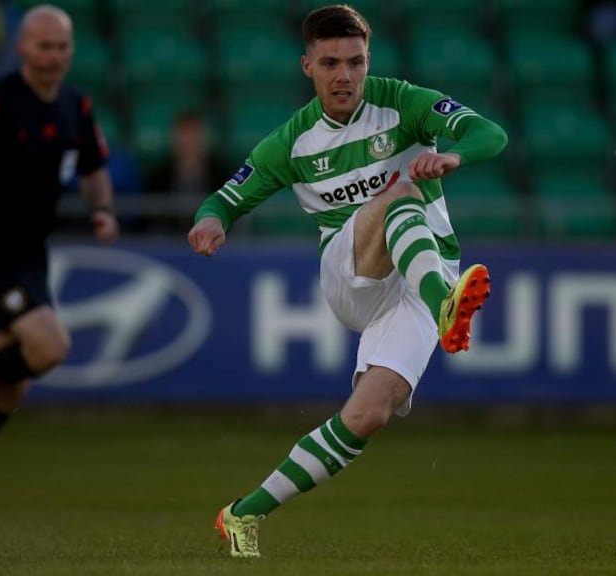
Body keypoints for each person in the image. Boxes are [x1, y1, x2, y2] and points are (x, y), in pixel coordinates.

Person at [187, 4, 507, 558]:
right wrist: (209, 220)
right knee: (401, 196)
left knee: (368, 414)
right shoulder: (292, 141)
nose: (345, 75)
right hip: (350, 272)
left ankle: (241, 515)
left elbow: (491, 133)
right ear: (307, 65)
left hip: (419, 276)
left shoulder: (403, 102)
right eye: (331, 63)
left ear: (368, 61)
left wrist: (452, 155)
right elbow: (226, 197)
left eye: (355, 62)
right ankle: (447, 304)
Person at [0, 4, 118, 508]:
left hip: (31, 254)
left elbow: (94, 165)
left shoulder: (75, 108)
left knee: (9, 390)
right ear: (22, 47)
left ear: (71, 50)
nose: (53, 56)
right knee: (49, 346)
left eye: (61, 47)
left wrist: (101, 209)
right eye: (43, 46)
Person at [144, 110, 227, 233]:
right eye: (184, 133)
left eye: (194, 133)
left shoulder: (222, 177)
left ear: (204, 138)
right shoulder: (157, 179)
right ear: (173, 138)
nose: (189, 141)